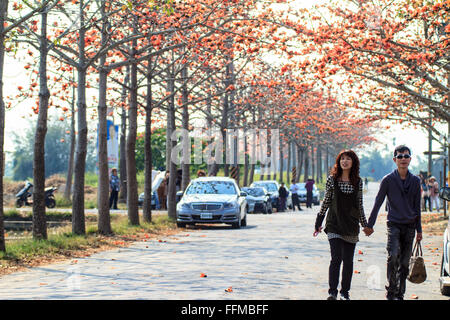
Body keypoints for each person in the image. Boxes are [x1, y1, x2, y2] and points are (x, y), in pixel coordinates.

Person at [365, 145, 422, 300]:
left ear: (410, 159)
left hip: (410, 226)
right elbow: (377, 203)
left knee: (404, 262)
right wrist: (370, 225)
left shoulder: (416, 181)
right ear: (394, 159)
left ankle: (400, 292)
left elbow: (418, 208)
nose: (403, 159)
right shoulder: (388, 180)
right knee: (393, 255)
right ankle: (391, 290)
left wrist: (419, 230)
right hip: (394, 225)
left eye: (406, 156)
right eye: (400, 156)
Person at [313, 150, 368, 301]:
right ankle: (332, 292)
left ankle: (345, 292)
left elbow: (360, 205)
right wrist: (319, 222)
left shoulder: (358, 182)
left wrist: (365, 225)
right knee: (336, 257)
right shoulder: (332, 180)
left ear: (353, 162)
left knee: (348, 261)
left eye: (348, 159)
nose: (345, 161)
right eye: (342, 159)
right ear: (339, 162)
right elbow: (326, 201)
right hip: (334, 224)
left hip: (350, 226)